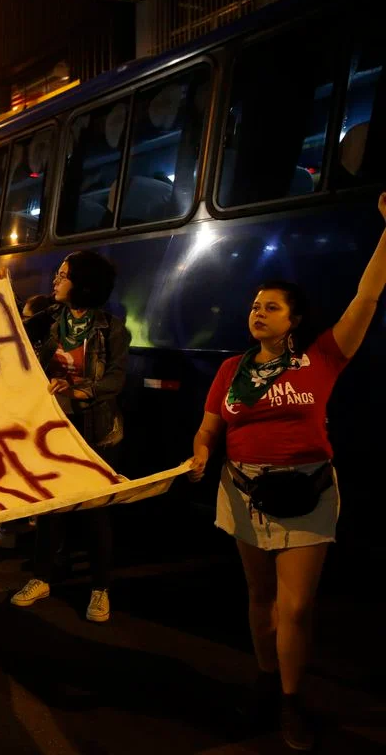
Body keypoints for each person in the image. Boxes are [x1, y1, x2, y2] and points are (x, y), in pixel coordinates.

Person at [188, 195, 386, 751]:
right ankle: (266, 681)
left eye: (272, 307)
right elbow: (209, 429)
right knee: (259, 598)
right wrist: (202, 452)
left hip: (307, 490)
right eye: (255, 305)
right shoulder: (231, 369)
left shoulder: (322, 356)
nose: (258, 312)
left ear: (294, 320)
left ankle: (293, 703)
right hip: (243, 488)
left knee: (296, 606)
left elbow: (367, 296)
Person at [9, 252, 128, 624]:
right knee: (50, 509)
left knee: (95, 513)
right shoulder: (46, 321)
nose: (55, 282)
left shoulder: (112, 328)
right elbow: (6, 333)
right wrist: (0, 288)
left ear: (84, 283)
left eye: (63, 276)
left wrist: (80, 391)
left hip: (97, 432)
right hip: (53, 431)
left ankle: (100, 589)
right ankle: (42, 578)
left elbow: (115, 379)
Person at [0, 293, 55, 549]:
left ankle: (13, 528)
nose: (23, 322)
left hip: (30, 420)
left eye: (27, 317)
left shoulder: (41, 348)